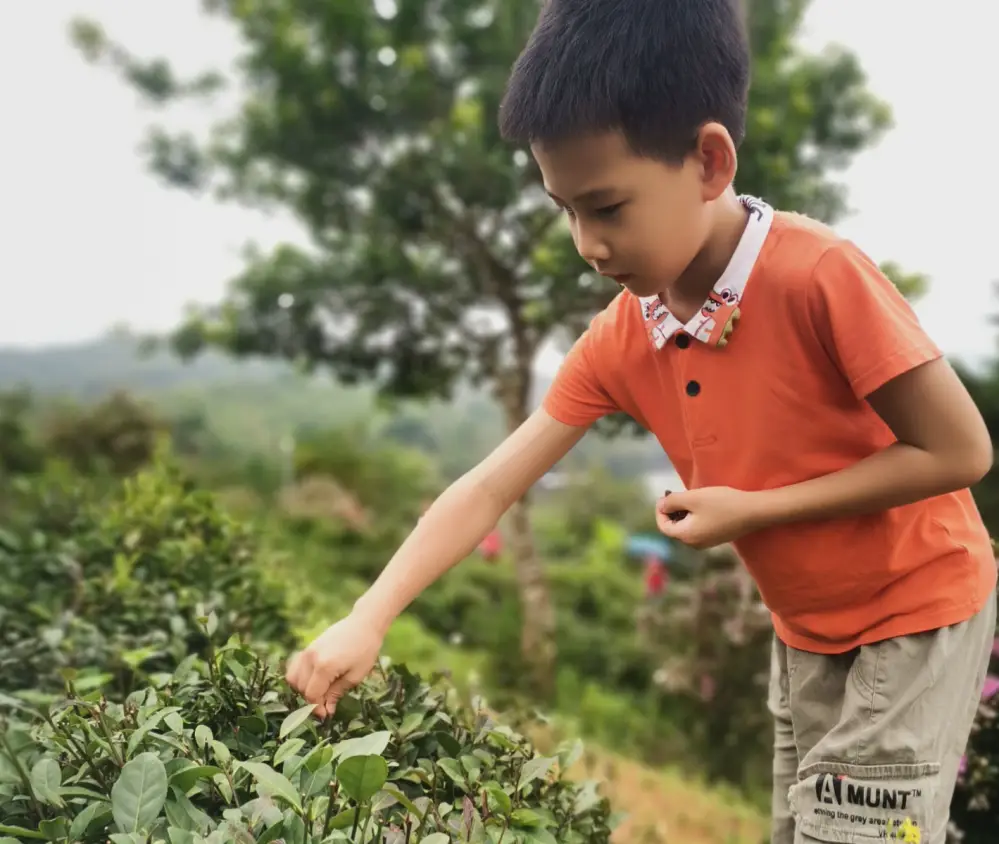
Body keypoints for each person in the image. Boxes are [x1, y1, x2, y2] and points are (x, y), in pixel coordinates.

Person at [286, 1, 996, 840]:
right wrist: (367, 617)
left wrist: (752, 509)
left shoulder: (817, 276)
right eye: (565, 209)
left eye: (607, 207)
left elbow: (959, 450)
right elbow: (487, 488)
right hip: (806, 630)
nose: (585, 243)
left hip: (913, 615)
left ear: (706, 161)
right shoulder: (625, 336)